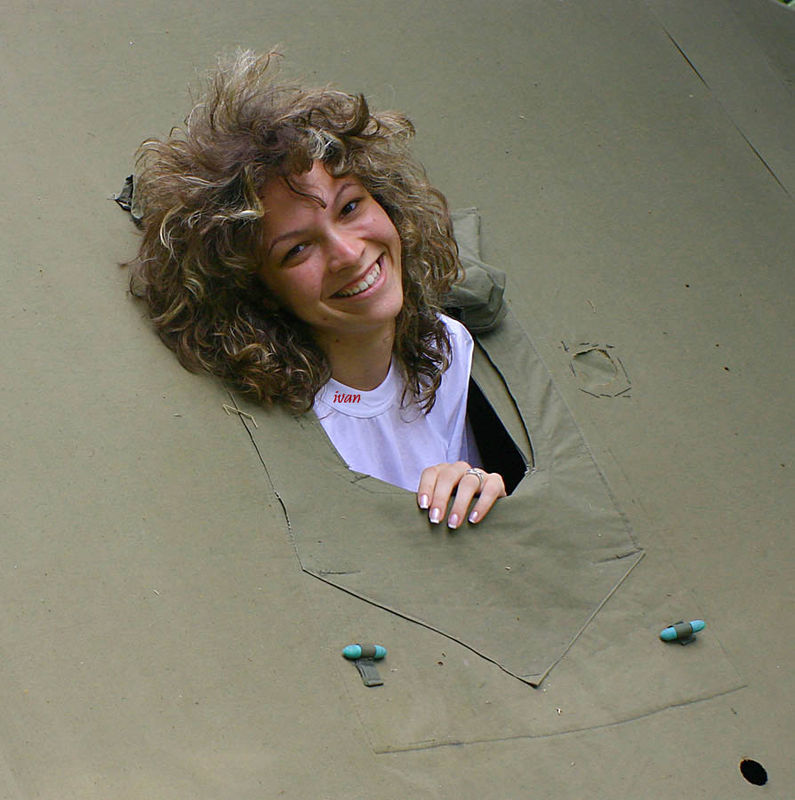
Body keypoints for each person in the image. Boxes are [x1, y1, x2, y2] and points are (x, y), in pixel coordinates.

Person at [127, 49, 506, 528]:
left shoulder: (446, 345)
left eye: (349, 207)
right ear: (260, 291)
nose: (348, 253)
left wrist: (471, 482)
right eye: (298, 249)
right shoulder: (283, 424)